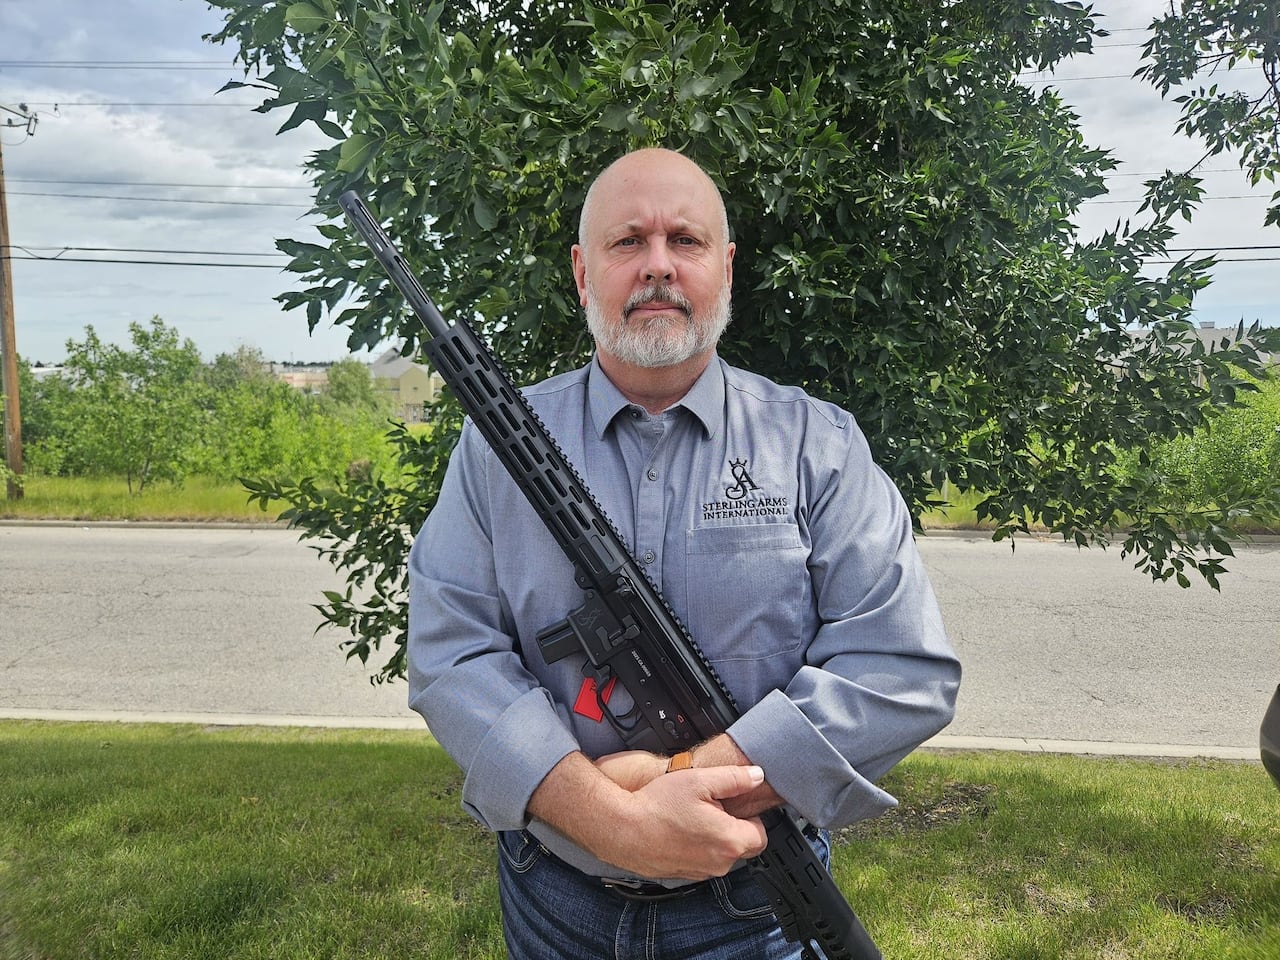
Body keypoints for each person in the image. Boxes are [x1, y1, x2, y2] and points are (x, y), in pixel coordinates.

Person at [407, 147, 961, 959]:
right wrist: (606, 820)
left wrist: (670, 783)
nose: (658, 266)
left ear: (726, 267)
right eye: (627, 242)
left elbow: (901, 668)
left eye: (686, 241)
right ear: (582, 271)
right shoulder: (496, 448)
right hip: (553, 900)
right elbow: (451, 653)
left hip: (754, 909)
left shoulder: (818, 445)